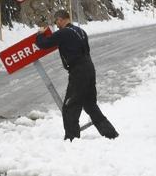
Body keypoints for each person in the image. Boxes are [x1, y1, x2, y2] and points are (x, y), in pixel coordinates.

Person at [35, 9, 119, 141]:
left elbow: (43, 44)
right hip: (89, 68)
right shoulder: (81, 31)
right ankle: (110, 133)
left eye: (56, 21)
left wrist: (39, 34)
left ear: (61, 19)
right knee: (90, 105)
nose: (56, 24)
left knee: (70, 106)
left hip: (78, 72)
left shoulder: (63, 33)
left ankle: (71, 139)